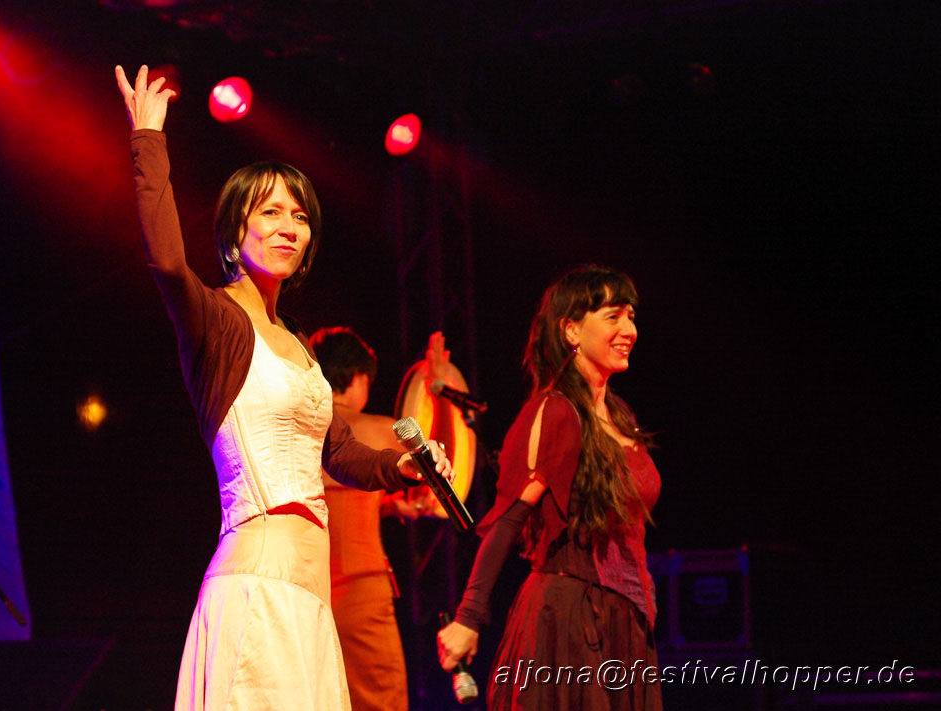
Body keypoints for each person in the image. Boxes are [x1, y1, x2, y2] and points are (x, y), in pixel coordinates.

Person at [114, 65, 452, 711]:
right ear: (234, 232)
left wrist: (403, 463)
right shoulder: (216, 320)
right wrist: (148, 139)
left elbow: (338, 451)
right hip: (256, 584)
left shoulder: (299, 344)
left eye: (299, 215)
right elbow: (163, 259)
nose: (288, 226)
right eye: (269, 211)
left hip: (309, 595)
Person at [437, 265, 662, 711]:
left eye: (631, 317)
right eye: (613, 316)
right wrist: (468, 617)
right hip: (570, 619)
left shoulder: (622, 415)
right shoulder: (557, 412)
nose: (629, 329)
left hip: (626, 622)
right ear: (572, 329)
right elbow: (509, 522)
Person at [312, 327, 451, 711]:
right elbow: (437, 459)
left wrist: (387, 505)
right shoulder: (374, 429)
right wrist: (436, 388)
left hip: (308, 591)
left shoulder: (303, 431)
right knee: (381, 698)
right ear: (358, 377)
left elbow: (331, 502)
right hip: (361, 590)